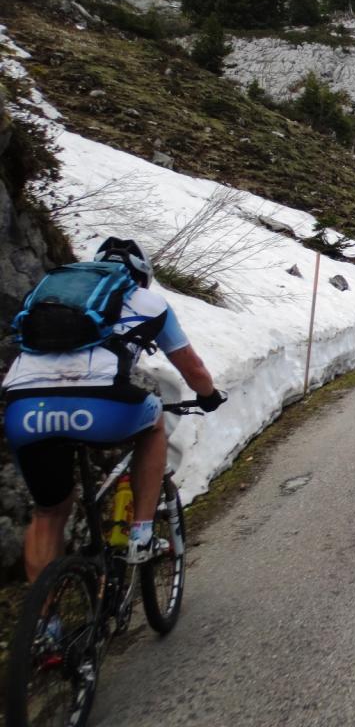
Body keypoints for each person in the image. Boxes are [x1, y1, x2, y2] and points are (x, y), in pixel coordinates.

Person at [2, 237, 225, 581]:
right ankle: (141, 535)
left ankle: (44, 628)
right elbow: (191, 367)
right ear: (142, 276)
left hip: (25, 408)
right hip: (100, 406)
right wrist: (208, 396)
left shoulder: (48, 295)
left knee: (48, 513)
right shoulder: (148, 301)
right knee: (153, 425)